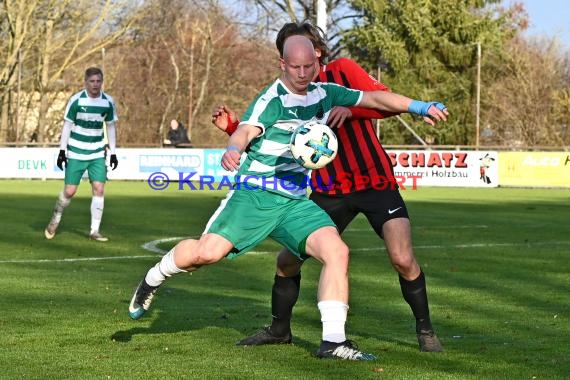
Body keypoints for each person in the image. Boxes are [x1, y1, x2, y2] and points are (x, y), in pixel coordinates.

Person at [128, 35, 447, 361]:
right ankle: (154, 277)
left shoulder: (325, 93)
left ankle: (333, 342)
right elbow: (247, 130)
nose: (303, 73)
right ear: (283, 64)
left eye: (310, 66)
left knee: (337, 251)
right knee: (206, 254)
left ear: (317, 62)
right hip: (254, 196)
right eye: (296, 66)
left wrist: (420, 106)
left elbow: (377, 100)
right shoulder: (272, 100)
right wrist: (233, 148)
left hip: (295, 202)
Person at [211, 22, 445, 352]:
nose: (306, 62)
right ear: (286, 59)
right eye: (296, 57)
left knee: (403, 258)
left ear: (318, 51)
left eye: (311, 53)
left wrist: (352, 110)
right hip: (329, 188)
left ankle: (426, 331)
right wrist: (234, 130)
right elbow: (269, 143)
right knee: (288, 261)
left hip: (374, 180)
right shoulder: (286, 93)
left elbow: (384, 102)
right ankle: (280, 330)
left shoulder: (343, 72)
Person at [44, 67, 118, 242]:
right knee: (69, 191)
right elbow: (67, 126)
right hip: (76, 151)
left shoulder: (108, 102)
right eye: (92, 81)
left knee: (99, 188)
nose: (95, 84)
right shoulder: (76, 100)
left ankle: (94, 231)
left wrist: (113, 152)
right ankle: (56, 217)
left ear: (102, 82)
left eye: (98, 81)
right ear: (86, 82)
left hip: (97, 152)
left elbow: (111, 126)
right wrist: (62, 151)